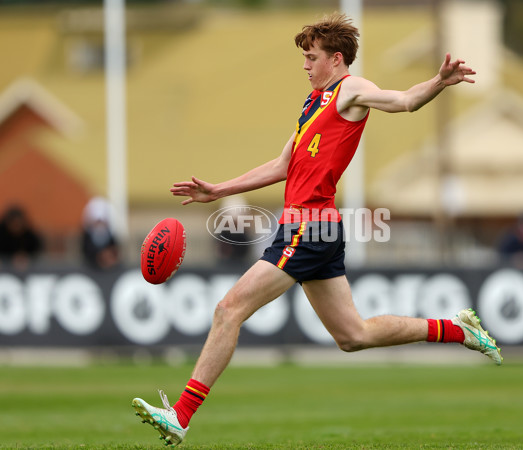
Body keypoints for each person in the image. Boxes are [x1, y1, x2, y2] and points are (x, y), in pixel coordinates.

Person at [132, 14, 502, 446]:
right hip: (315, 228)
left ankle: (181, 415)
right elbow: (281, 166)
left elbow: (402, 101)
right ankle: (459, 329)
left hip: (308, 227)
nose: (305, 65)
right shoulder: (312, 103)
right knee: (353, 336)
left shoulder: (351, 90)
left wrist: (437, 82)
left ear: (336, 58)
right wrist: (218, 190)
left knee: (228, 310)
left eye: (311, 57)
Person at [81, 197, 120, 270]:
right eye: (97, 222)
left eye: (102, 222)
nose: (99, 225)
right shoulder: (86, 239)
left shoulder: (112, 238)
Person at [0, 205, 43, 270]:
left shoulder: (30, 236)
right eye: (13, 224)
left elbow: (37, 251)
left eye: (18, 224)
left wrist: (27, 257)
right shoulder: (2, 235)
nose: (16, 227)